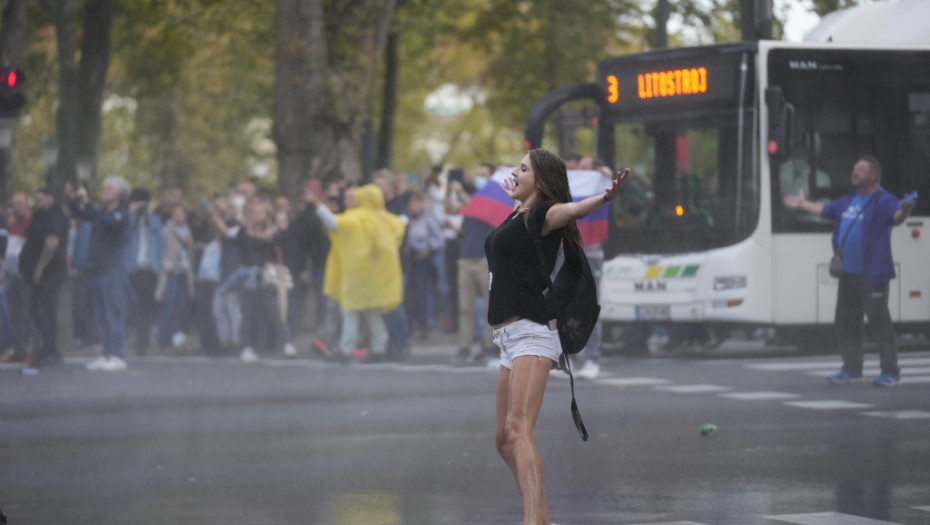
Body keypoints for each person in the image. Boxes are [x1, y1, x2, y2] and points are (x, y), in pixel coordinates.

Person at [487, 148, 626, 524]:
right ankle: (542, 517)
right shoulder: (518, 214)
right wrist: (515, 199)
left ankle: (534, 521)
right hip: (508, 339)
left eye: (523, 168)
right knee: (502, 439)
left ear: (541, 181)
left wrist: (605, 197)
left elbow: (572, 209)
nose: (515, 172)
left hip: (532, 335)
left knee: (518, 430)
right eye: (516, 166)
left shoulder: (542, 213)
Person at [783, 155, 916, 387]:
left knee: (878, 322)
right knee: (845, 321)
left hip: (872, 273)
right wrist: (803, 205)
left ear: (873, 175)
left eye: (861, 170)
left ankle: (890, 372)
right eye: (855, 168)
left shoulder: (883, 200)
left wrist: (905, 211)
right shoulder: (849, 199)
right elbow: (827, 210)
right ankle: (852, 369)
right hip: (848, 273)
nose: (855, 172)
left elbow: (896, 217)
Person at [313, 184, 405, 364]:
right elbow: (402, 222)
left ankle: (345, 349)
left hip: (356, 275)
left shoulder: (355, 218)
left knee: (350, 312)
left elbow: (332, 222)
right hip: (376, 277)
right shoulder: (386, 219)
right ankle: (378, 348)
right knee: (373, 313)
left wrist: (317, 205)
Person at [68, 177, 133, 372]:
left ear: (119, 193)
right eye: (104, 187)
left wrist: (86, 200)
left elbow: (102, 218)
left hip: (111, 271)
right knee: (101, 315)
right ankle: (107, 354)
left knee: (113, 313)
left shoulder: (121, 214)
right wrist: (73, 198)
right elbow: (80, 213)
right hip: (96, 269)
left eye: (109, 188)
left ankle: (118, 355)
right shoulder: (102, 212)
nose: (105, 190)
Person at [19, 188, 70, 367]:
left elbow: (52, 243)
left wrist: (40, 268)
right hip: (39, 274)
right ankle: (47, 348)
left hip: (51, 273)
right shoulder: (40, 217)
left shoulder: (53, 216)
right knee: (37, 309)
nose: (36, 203)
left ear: (49, 199)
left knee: (44, 310)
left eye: (39, 199)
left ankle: (51, 350)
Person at [123, 188, 165, 355]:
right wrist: (133, 216)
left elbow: (160, 243)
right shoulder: (126, 219)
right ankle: (139, 337)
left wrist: (160, 267)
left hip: (150, 269)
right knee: (133, 306)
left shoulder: (154, 220)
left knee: (147, 306)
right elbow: (124, 237)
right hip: (132, 268)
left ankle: (142, 343)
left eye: (143, 203)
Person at [155, 203, 195, 350]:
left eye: (181, 213)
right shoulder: (167, 230)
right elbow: (162, 249)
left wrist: (190, 244)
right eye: (176, 213)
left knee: (178, 307)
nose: (178, 216)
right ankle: (163, 339)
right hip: (171, 272)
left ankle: (171, 338)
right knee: (168, 306)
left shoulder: (186, 230)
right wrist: (165, 265)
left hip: (184, 272)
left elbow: (189, 248)